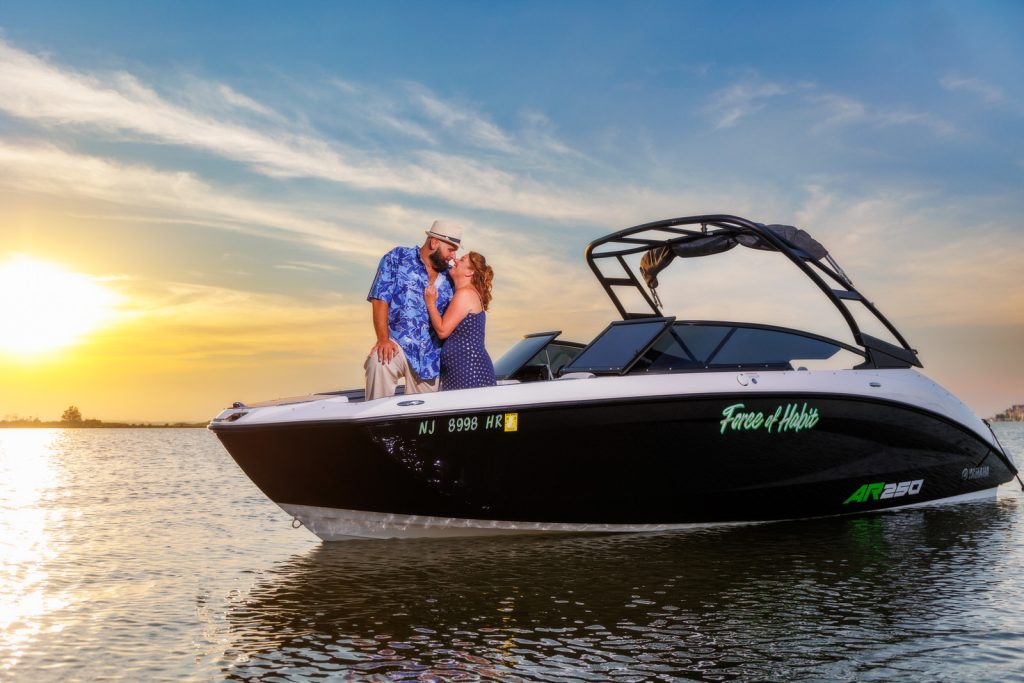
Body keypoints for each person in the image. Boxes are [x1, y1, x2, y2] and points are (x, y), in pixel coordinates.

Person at [364, 220, 461, 400]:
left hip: (431, 359)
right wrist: (383, 339)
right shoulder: (397, 257)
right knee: (379, 362)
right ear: (434, 243)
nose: (453, 256)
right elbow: (380, 298)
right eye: (451, 249)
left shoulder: (451, 277)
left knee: (424, 419)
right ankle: (374, 424)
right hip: (398, 345)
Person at [423, 251, 496, 390]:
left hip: (470, 371)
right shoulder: (466, 293)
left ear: (470, 272)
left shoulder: (465, 294)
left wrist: (430, 303)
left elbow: (443, 330)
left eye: (462, 260)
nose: (455, 260)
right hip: (463, 369)